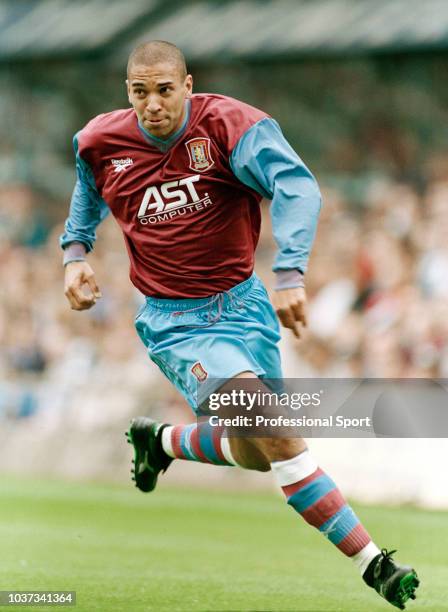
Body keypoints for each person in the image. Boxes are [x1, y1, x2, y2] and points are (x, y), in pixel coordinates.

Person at [61, 40, 419, 610]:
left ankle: (162, 440)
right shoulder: (101, 141)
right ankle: (374, 563)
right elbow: (88, 188)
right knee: (278, 432)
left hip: (245, 309)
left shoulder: (231, 126)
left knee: (257, 452)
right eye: (139, 92)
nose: (152, 104)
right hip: (176, 323)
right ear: (127, 91)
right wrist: (75, 253)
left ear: (187, 84)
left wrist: (291, 272)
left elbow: (298, 187)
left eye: (164, 90)